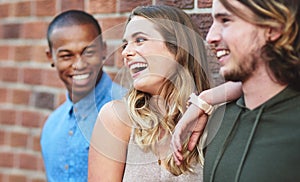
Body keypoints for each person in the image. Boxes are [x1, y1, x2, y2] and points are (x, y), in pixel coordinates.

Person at [88, 5, 242, 181]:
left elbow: (263, 81)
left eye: (139, 40)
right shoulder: (116, 118)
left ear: (177, 48)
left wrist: (206, 99)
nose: (126, 52)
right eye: (125, 44)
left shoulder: (216, 118)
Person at [171, 0, 300, 181]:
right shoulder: (220, 119)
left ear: (273, 28)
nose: (210, 37)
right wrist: (205, 99)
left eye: (226, 20)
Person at [40, 10, 119, 181]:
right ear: (50, 57)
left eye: (88, 52)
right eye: (66, 55)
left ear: (103, 50)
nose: (79, 64)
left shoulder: (132, 110)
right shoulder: (51, 127)